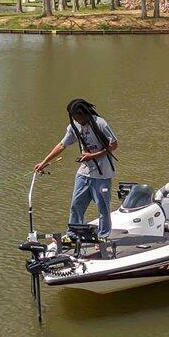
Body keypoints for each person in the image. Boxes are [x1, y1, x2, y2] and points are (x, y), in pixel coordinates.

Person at [33, 99, 119, 236]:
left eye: (79, 117)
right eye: (74, 118)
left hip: (103, 174)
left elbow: (113, 145)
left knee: (103, 207)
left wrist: (94, 155)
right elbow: (62, 145)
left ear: (85, 113)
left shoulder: (100, 123)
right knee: (76, 205)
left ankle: (103, 236)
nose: (78, 121)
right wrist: (44, 162)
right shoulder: (73, 127)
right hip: (84, 173)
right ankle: (73, 235)